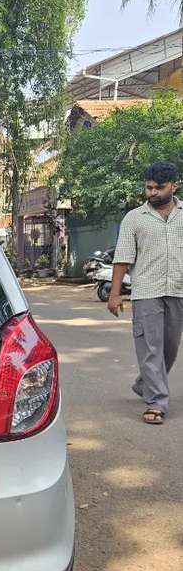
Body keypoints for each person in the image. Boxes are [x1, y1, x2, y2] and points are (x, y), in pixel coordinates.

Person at [109, 161, 183, 424]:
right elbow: (123, 257)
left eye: (159, 188)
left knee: (169, 348)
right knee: (150, 348)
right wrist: (114, 293)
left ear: (174, 185)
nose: (152, 193)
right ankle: (157, 403)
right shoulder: (134, 218)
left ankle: (145, 383)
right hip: (146, 291)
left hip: (178, 290)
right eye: (148, 187)